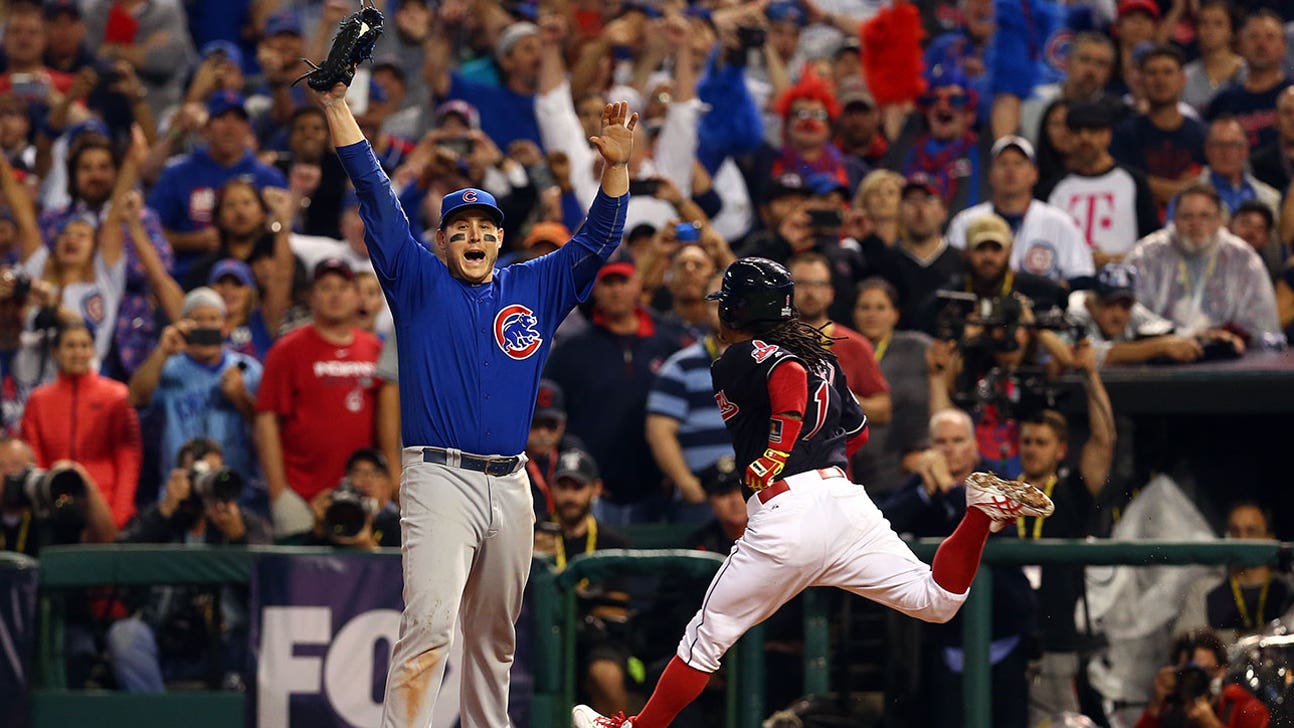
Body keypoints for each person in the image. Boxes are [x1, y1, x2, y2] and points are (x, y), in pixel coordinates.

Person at [572, 257, 1055, 728]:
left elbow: (787, 379)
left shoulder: (739, 358)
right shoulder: (821, 354)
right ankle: (979, 515)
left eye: (727, 304)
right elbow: (857, 433)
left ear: (738, 309)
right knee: (937, 600)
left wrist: (777, 449)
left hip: (785, 507)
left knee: (706, 639)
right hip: (844, 502)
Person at [320, 41, 637, 722]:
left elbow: (600, 241)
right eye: (459, 226)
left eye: (484, 227)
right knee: (431, 624)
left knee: (495, 641)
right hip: (437, 477)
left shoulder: (534, 283)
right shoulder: (416, 279)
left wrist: (616, 169)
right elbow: (375, 192)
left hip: (512, 482)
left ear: (499, 239)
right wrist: (337, 105)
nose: (472, 236)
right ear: (442, 241)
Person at [1009, 343, 1116, 724]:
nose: (1032, 450)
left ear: (1060, 450)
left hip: (1057, 640)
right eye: (1026, 442)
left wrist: (1091, 376)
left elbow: (1104, 443)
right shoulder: (1003, 494)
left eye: (1041, 443)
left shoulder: (1071, 492)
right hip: (1006, 640)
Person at [545, 261, 684, 525]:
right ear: (595, 289)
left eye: (623, 281)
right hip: (591, 489)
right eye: (608, 283)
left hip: (659, 487)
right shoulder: (571, 351)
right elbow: (549, 414)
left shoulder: (669, 343)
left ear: (638, 284)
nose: (616, 290)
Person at [253, 259, 383, 536]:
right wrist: (279, 492)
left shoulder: (375, 349)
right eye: (325, 287)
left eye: (342, 287)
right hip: (301, 494)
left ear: (356, 295)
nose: (335, 295)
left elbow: (389, 423)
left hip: (364, 494)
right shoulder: (287, 350)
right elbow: (266, 420)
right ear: (311, 296)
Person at [127, 288, 263, 503]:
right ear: (183, 327)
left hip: (236, 490)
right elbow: (135, 398)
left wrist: (240, 397)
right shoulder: (168, 367)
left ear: (226, 327)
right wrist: (162, 351)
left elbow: (267, 431)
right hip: (180, 491)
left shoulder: (248, 369)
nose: (206, 325)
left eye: (213, 319)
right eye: (197, 320)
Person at [533, 448, 635, 717]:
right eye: (563, 486)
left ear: (595, 489)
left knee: (605, 674)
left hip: (598, 638)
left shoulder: (612, 542)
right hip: (540, 638)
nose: (570, 496)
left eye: (578, 487)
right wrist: (536, 560)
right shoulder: (534, 535)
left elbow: (615, 610)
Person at [1125, 182, 1281, 343]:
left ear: (1219, 219)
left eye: (1204, 216)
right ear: (1173, 219)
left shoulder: (1243, 258)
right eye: (1187, 216)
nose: (1196, 224)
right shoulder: (1146, 255)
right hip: (1159, 353)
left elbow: (1262, 325)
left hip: (1229, 357)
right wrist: (1177, 336)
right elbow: (1129, 314)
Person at [20, 322, 140, 528]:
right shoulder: (38, 400)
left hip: (106, 508)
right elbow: (34, 457)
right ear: (55, 352)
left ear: (93, 351)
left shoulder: (117, 396)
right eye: (70, 346)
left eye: (84, 345)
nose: (78, 352)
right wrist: (45, 505)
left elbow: (128, 459)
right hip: (55, 512)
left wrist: (119, 514)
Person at [945, 136, 1095, 285]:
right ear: (990, 175)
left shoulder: (1060, 222)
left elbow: (1082, 274)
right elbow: (951, 274)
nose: (1010, 170)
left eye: (1019, 163)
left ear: (1034, 174)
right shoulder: (966, 221)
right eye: (1003, 164)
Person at [1041, 101, 1159, 267]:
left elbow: (1152, 243)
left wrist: (1114, 260)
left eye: (1093, 130)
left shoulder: (1133, 181)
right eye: (1077, 131)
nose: (1085, 138)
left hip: (1124, 280)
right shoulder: (1053, 188)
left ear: (1107, 135)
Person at [850, 278, 933, 496]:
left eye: (880, 307)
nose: (871, 314)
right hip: (857, 467)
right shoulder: (843, 349)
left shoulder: (919, 348)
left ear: (895, 314)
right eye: (864, 307)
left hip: (904, 465)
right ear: (854, 314)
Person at [1174, 502, 1293, 647]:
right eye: (1234, 531)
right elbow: (1187, 648)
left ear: (1269, 539)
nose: (1242, 539)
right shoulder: (1204, 590)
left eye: (1251, 531)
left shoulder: (1288, 588)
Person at [1062, 263, 1205, 367]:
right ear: (1091, 304)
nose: (1118, 314)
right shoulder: (1075, 310)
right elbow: (1091, 355)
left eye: (1125, 305)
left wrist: (1202, 335)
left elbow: (1165, 329)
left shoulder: (1132, 310)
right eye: (1109, 304)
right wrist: (1161, 346)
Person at [1136, 629, 1270, 728]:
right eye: (1187, 672)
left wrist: (1211, 724)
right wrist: (1157, 703)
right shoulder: (1170, 708)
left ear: (1221, 670)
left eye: (1204, 671)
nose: (1195, 678)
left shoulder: (1244, 708)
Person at [1205, 9, 1291, 151]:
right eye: (1253, 37)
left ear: (1283, 46)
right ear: (1240, 45)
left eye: (1270, 37)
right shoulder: (1223, 101)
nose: (1261, 45)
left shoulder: (1292, 95)